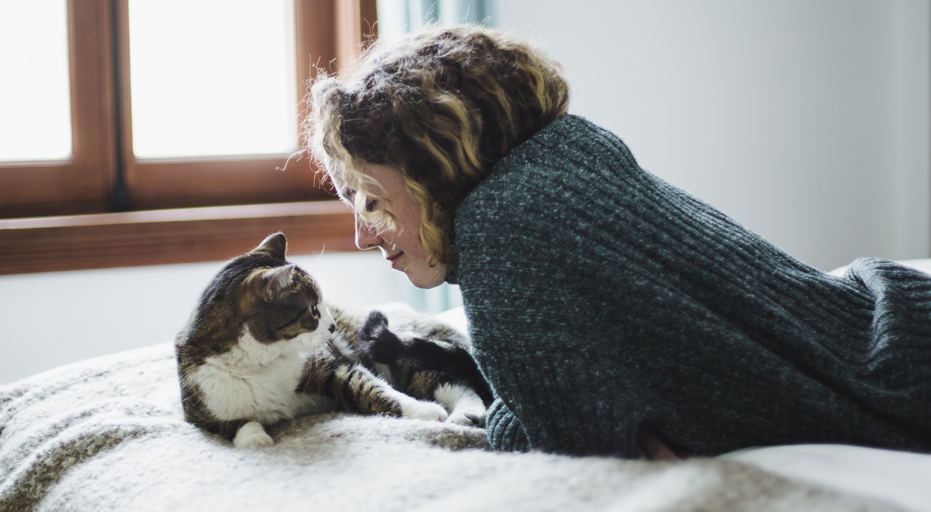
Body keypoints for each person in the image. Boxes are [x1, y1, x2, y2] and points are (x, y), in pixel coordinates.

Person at [305, 25, 931, 459]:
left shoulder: (498, 231)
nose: (363, 232)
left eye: (373, 200)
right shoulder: (570, 150)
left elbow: (574, 443)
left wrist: (502, 415)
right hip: (892, 317)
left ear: (431, 167)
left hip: (901, 374)